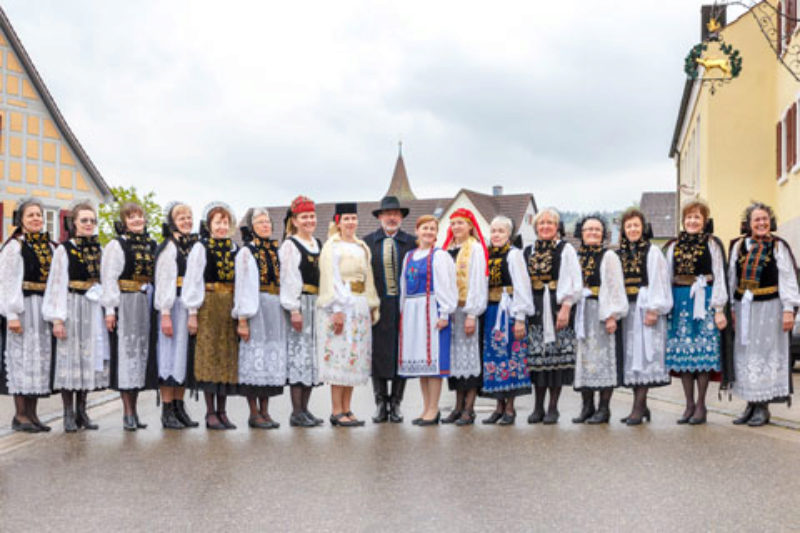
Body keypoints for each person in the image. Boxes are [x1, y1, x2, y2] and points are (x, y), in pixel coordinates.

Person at [728, 202, 800, 426]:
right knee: (747, 355)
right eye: (757, 220)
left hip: (770, 308)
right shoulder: (738, 246)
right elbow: (732, 278)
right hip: (744, 307)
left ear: (770, 222)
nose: (761, 223)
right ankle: (751, 403)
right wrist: (731, 307)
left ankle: (763, 407)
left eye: (764, 219)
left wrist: (789, 310)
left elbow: (788, 279)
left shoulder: (778, 246)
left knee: (765, 355)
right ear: (749, 223)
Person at [43, 201, 108, 432]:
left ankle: (82, 411)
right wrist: (57, 318)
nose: (89, 224)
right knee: (70, 359)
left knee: (88, 360)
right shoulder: (64, 249)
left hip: (92, 307)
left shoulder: (99, 249)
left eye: (92, 220)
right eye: (84, 220)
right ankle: (68, 413)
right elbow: (56, 283)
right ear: (74, 223)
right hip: (71, 305)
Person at [664, 198, 729, 425]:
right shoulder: (674, 245)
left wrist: (719, 309)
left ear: (704, 221)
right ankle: (688, 404)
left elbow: (720, 274)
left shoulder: (712, 244)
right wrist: (665, 305)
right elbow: (666, 276)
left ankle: (701, 404)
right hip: (681, 300)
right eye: (689, 217)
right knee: (684, 354)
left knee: (703, 353)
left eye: (697, 217)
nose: (692, 221)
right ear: (683, 221)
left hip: (706, 298)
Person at [316, 203, 381, 426]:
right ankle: (336, 410)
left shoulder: (362, 246)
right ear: (338, 221)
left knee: (354, 358)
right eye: (346, 219)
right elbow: (331, 278)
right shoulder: (332, 246)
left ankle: (347, 408)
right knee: (339, 357)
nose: (350, 222)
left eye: (353, 218)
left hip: (359, 304)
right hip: (341, 305)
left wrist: (372, 305)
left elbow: (369, 277)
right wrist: (337, 310)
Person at [183, 202, 240, 430]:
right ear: (209, 225)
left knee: (226, 357)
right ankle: (209, 412)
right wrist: (193, 313)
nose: (222, 227)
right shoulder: (201, 247)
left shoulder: (235, 249)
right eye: (218, 222)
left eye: (225, 222)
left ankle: (222, 411)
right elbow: (193, 280)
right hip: (208, 304)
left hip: (228, 305)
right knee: (209, 357)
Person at [0, 198, 55, 432]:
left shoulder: (49, 246)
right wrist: (11, 314)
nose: (36, 219)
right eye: (31, 215)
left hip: (42, 307)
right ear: (20, 220)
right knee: (22, 358)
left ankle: (33, 415)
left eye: (39, 215)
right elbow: (6, 282)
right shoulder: (14, 246)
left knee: (38, 360)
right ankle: (20, 415)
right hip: (22, 307)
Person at [101, 202, 158, 431]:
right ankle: (127, 413)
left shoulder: (151, 244)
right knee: (127, 355)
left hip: (145, 301)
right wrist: (109, 310)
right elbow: (109, 278)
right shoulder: (117, 245)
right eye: (131, 217)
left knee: (140, 357)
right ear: (124, 222)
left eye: (139, 217)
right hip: (125, 302)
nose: (136, 221)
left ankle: (135, 410)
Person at [523, 208, 582, 424]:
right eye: (542, 223)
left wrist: (566, 307)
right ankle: (537, 406)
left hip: (557, 305)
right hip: (536, 305)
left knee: (556, 358)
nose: (545, 226)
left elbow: (575, 280)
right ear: (536, 227)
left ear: (557, 227)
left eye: (550, 223)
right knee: (537, 358)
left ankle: (553, 407)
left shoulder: (565, 250)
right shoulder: (528, 250)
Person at [398, 215, 458, 425]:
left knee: (433, 366)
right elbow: (404, 288)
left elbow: (447, 286)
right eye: (425, 228)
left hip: (432, 310)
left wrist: (444, 313)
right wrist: (402, 313)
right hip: (413, 312)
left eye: (433, 229)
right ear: (417, 230)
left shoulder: (439, 256)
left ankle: (434, 409)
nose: (429, 232)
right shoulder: (409, 256)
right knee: (422, 366)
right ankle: (426, 408)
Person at [616, 209, 673, 425]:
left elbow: (660, 281)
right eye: (628, 226)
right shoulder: (619, 253)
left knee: (646, 356)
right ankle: (641, 405)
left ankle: (638, 407)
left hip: (646, 308)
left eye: (636, 225)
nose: (632, 229)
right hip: (627, 310)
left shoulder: (652, 252)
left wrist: (654, 309)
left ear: (643, 228)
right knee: (632, 360)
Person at [362, 196, 415, 423]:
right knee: (379, 355)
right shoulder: (367, 243)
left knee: (401, 354)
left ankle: (396, 403)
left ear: (401, 217)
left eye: (396, 214)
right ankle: (380, 403)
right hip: (378, 305)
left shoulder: (412, 243)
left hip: (403, 306)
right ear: (380, 217)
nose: (392, 217)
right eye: (387, 214)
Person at [233, 207, 286, 429]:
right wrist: (243, 319)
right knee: (255, 357)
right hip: (256, 306)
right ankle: (253, 412)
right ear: (252, 228)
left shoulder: (276, 251)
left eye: (267, 222)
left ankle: (265, 411)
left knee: (269, 359)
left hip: (275, 307)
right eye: (260, 222)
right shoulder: (247, 252)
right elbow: (243, 285)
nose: (265, 225)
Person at [571, 216, 628, 424]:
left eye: (597, 229)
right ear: (581, 233)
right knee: (584, 359)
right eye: (588, 229)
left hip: (601, 311)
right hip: (581, 312)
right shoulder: (576, 256)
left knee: (603, 359)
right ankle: (587, 406)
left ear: (603, 234)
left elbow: (615, 286)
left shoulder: (609, 256)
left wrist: (612, 315)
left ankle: (604, 409)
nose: (593, 233)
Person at [481, 216, 534, 425]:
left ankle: (510, 409)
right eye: (493, 231)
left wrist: (520, 318)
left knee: (510, 356)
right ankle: (498, 406)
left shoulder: (514, 255)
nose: (496, 235)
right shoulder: (488, 255)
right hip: (492, 311)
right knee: (494, 357)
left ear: (509, 235)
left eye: (501, 231)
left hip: (509, 311)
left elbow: (522, 286)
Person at [153, 202, 199, 429]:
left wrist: (194, 311)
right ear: (172, 222)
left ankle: (180, 407)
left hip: (189, 307)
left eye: (189, 217)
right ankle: (167, 409)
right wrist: (165, 313)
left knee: (184, 356)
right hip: (173, 306)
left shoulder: (192, 247)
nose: (187, 221)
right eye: (181, 218)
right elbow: (164, 283)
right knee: (169, 356)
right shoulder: (169, 248)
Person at [279, 195, 324, 427]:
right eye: (304, 217)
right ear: (294, 221)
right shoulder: (290, 245)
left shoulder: (318, 243)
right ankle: (296, 411)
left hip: (316, 303)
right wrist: (294, 309)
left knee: (311, 358)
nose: (309, 220)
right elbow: (289, 279)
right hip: (300, 303)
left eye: (312, 216)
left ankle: (305, 409)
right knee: (299, 357)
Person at [441, 208, 488, 426]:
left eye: (461, 223)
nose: (456, 227)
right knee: (455, 361)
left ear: (470, 225)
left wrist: (472, 313)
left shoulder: (475, 249)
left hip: (468, 309)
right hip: (452, 312)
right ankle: (457, 405)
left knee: (469, 358)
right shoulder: (448, 249)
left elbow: (478, 281)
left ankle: (469, 408)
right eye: (453, 223)